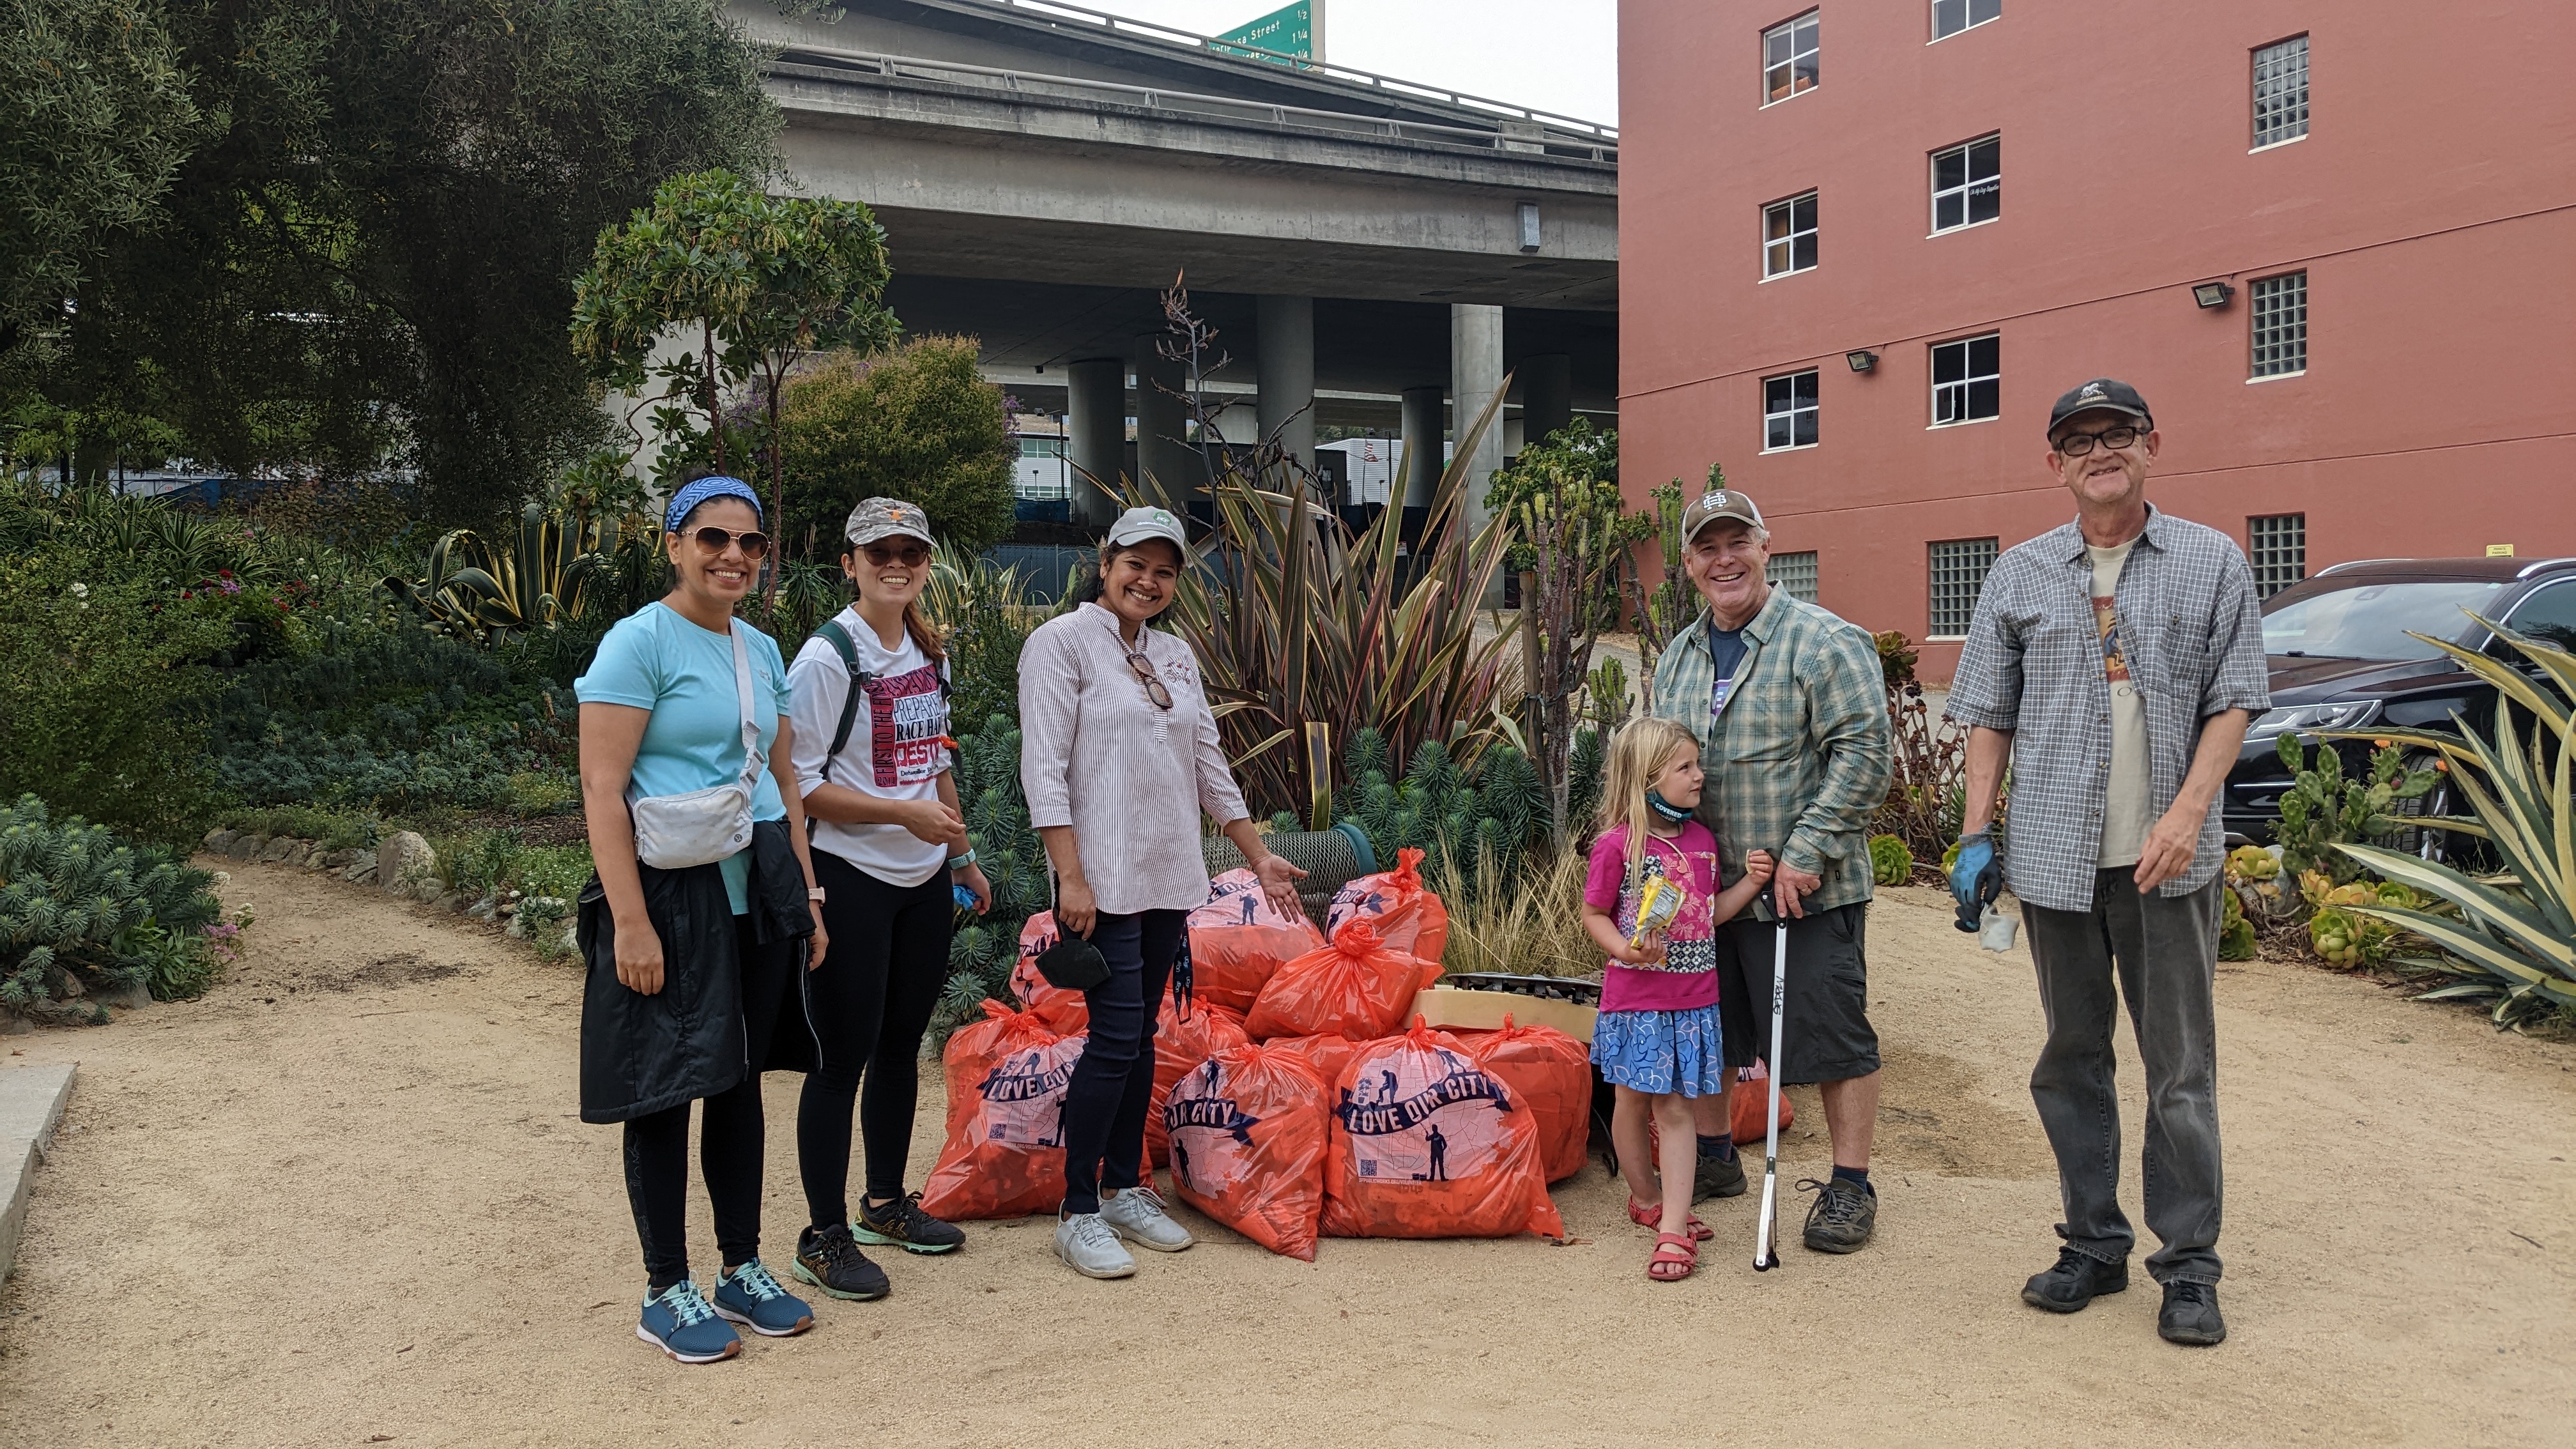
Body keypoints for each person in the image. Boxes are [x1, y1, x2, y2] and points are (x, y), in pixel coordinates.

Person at [1943, 379, 2269, 1347]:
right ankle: (2093, 1242)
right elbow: (1987, 714)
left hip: (2169, 860)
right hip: (2053, 862)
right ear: (2054, 463)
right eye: (2077, 439)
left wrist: (2186, 813)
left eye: (2116, 433)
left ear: (2151, 444)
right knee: (2071, 1058)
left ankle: (2190, 1265)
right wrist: (1974, 833)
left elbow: (2237, 698)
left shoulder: (2213, 562)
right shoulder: (2018, 575)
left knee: (2179, 1070)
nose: (2099, 451)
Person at [574, 473, 829, 1364]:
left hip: (752, 890)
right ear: (675, 544)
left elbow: (783, 782)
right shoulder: (636, 644)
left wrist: (807, 896)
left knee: (739, 1080)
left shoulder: (759, 651)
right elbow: (603, 791)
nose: (733, 556)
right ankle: (665, 1287)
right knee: (664, 1089)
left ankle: (740, 1266)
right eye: (713, 538)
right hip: (667, 896)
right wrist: (629, 923)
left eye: (749, 544)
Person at [1017, 505, 1308, 1280]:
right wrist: (1069, 877)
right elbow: (1042, 769)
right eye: (1135, 565)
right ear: (1106, 561)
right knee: (1113, 1040)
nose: (1148, 581)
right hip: (1101, 882)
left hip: (1168, 876)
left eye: (1165, 570)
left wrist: (1260, 854)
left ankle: (1122, 1188)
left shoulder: (1174, 654)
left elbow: (1207, 761)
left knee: (1139, 1038)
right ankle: (1077, 1209)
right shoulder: (1059, 645)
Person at [1646, 485, 1892, 1250]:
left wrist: (1805, 848)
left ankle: (1851, 1186)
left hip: (1803, 890)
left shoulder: (1824, 641)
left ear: (1765, 546)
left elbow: (1865, 756)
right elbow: (1655, 762)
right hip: (1702, 894)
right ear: (1688, 564)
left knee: (1828, 1036)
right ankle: (1716, 1158)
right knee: (1711, 1026)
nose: (1725, 560)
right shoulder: (1677, 656)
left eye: (1737, 543)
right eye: (1707, 548)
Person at [785, 498, 994, 1301]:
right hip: (851, 878)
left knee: (901, 1046)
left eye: (910, 551)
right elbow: (800, 789)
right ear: (850, 563)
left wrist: (961, 853)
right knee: (840, 1061)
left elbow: (933, 759)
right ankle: (823, 1234)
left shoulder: (925, 650)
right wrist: (900, 815)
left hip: (922, 883)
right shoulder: (827, 659)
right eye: (879, 552)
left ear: (926, 563)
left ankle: (883, 1204)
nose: (895, 564)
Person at [1580, 716, 1776, 1282]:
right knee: (1631, 1102)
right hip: (1635, 1001)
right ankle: (1645, 1196)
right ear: (1647, 776)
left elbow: (1706, 915)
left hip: (1694, 1001)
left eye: (1697, 765)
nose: (1699, 777)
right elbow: (1594, 913)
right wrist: (1623, 948)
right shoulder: (1618, 845)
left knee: (1675, 1108)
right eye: (1685, 768)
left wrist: (1751, 885)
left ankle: (1673, 1223)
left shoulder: (1703, 843)